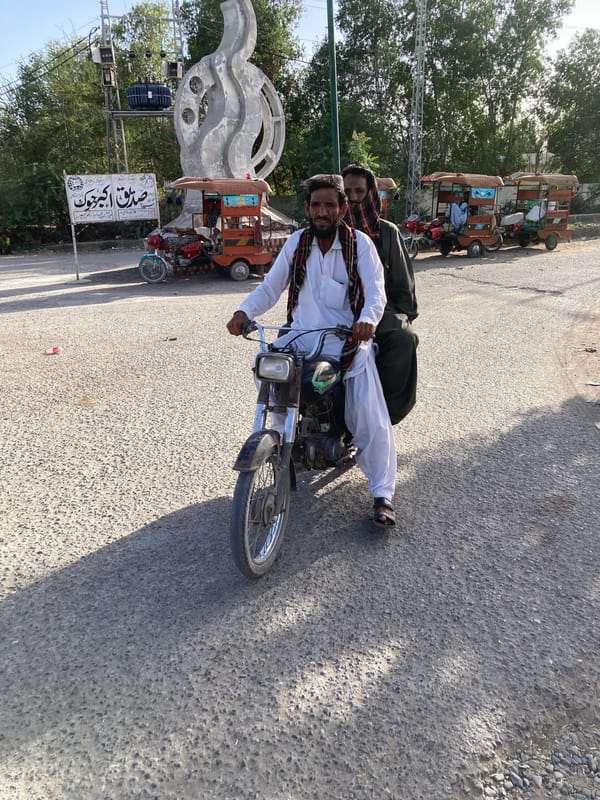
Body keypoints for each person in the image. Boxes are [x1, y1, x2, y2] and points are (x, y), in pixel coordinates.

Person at [226, 174, 397, 528]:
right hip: (300, 337)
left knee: (370, 415)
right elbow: (270, 287)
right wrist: (244, 312)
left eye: (330, 205)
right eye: (316, 205)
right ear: (307, 208)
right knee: (270, 380)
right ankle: (278, 449)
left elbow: (376, 291)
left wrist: (367, 320)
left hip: (344, 340)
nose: (322, 211)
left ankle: (383, 494)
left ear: (342, 209)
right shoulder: (297, 243)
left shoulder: (359, 245)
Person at [341, 163, 418, 426]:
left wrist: (401, 316)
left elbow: (401, 285)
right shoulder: (330, 231)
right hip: (336, 310)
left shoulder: (386, 232)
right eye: (347, 192)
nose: (352, 198)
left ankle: (384, 414)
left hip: (379, 311)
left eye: (358, 192)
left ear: (371, 193)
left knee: (403, 338)